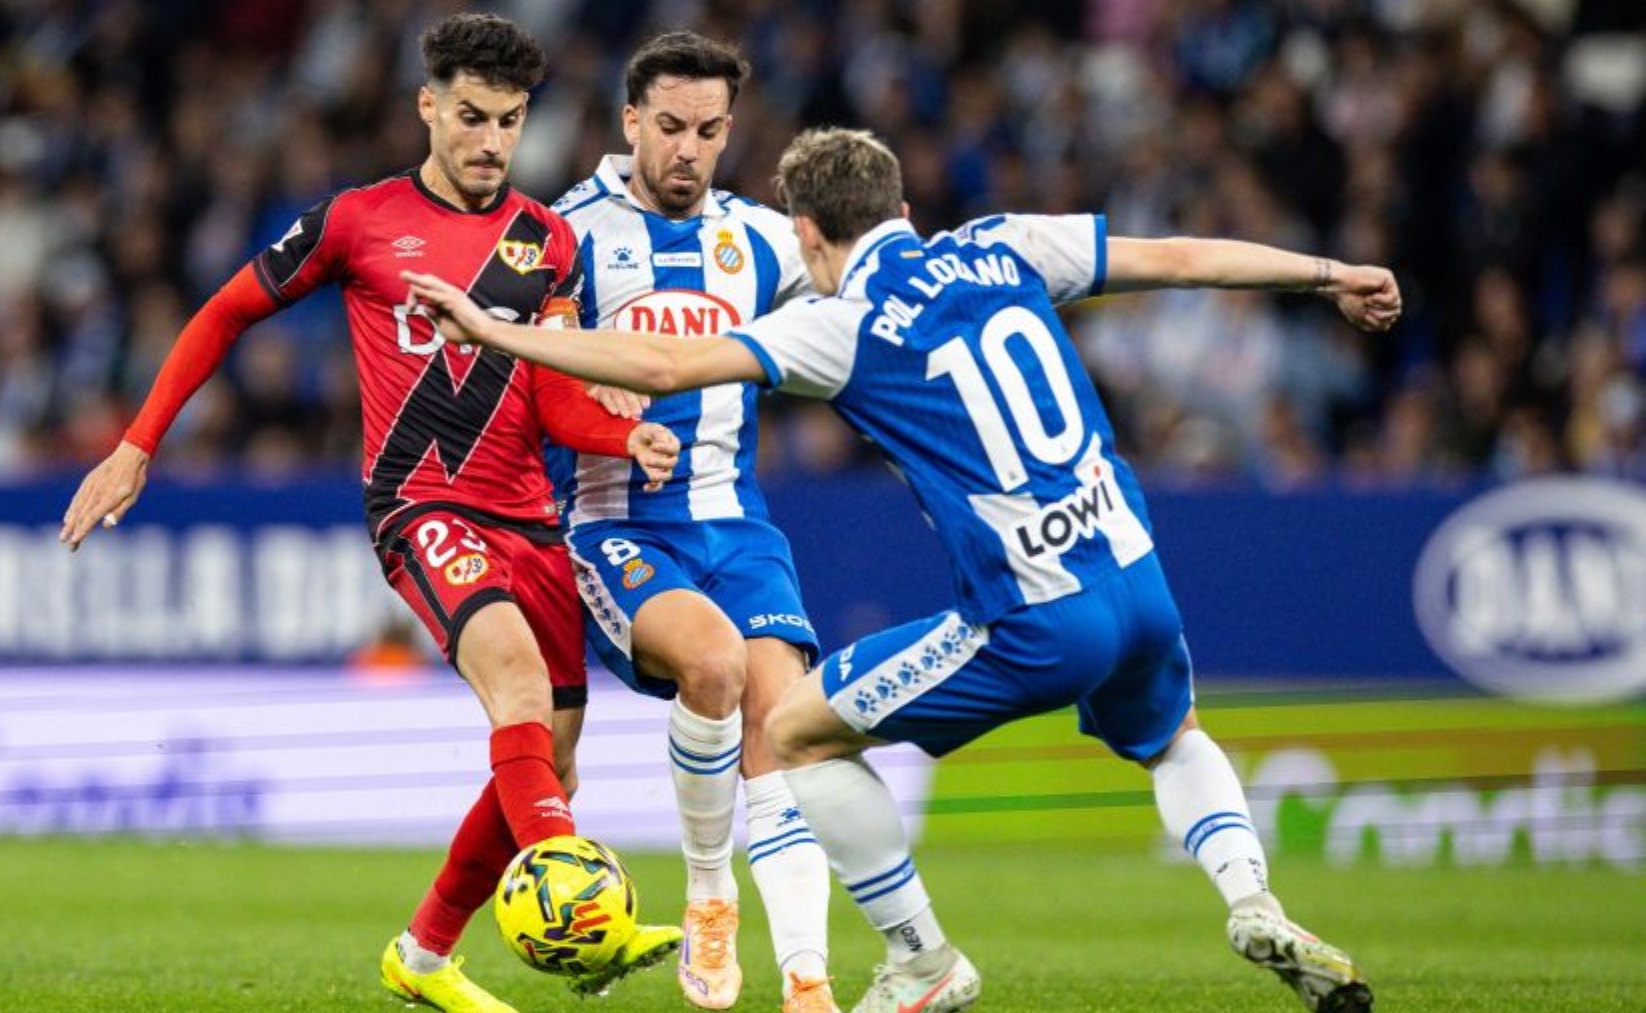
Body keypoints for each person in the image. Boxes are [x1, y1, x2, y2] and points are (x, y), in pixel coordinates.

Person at [399, 126, 1395, 1013]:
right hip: (1135, 571)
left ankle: (919, 956)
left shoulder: (843, 322)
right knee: (1173, 733)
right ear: (905, 209)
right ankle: (1252, 898)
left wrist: (490, 327)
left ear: (807, 236)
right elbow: (1177, 258)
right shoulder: (1003, 241)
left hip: (1037, 613)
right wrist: (1328, 272)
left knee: (794, 731)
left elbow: (660, 370)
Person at [58, 15, 683, 1013]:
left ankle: (425, 954)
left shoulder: (548, 240)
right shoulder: (358, 220)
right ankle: (577, 909)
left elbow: (557, 395)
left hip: (530, 517)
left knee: (551, 744)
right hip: (423, 505)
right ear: (428, 107)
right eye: (471, 116)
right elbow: (226, 310)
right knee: (517, 686)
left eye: (510, 122)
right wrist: (139, 442)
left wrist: (622, 435)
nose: (489, 141)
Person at [547, 32, 833, 1013]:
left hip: (735, 519)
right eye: (669, 127)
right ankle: (711, 891)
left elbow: (855, 306)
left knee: (788, 725)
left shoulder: (757, 237)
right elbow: (519, 366)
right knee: (713, 664)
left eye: (708, 131)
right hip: (614, 520)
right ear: (631, 122)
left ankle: (807, 977)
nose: (687, 148)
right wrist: (601, 416)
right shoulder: (566, 232)